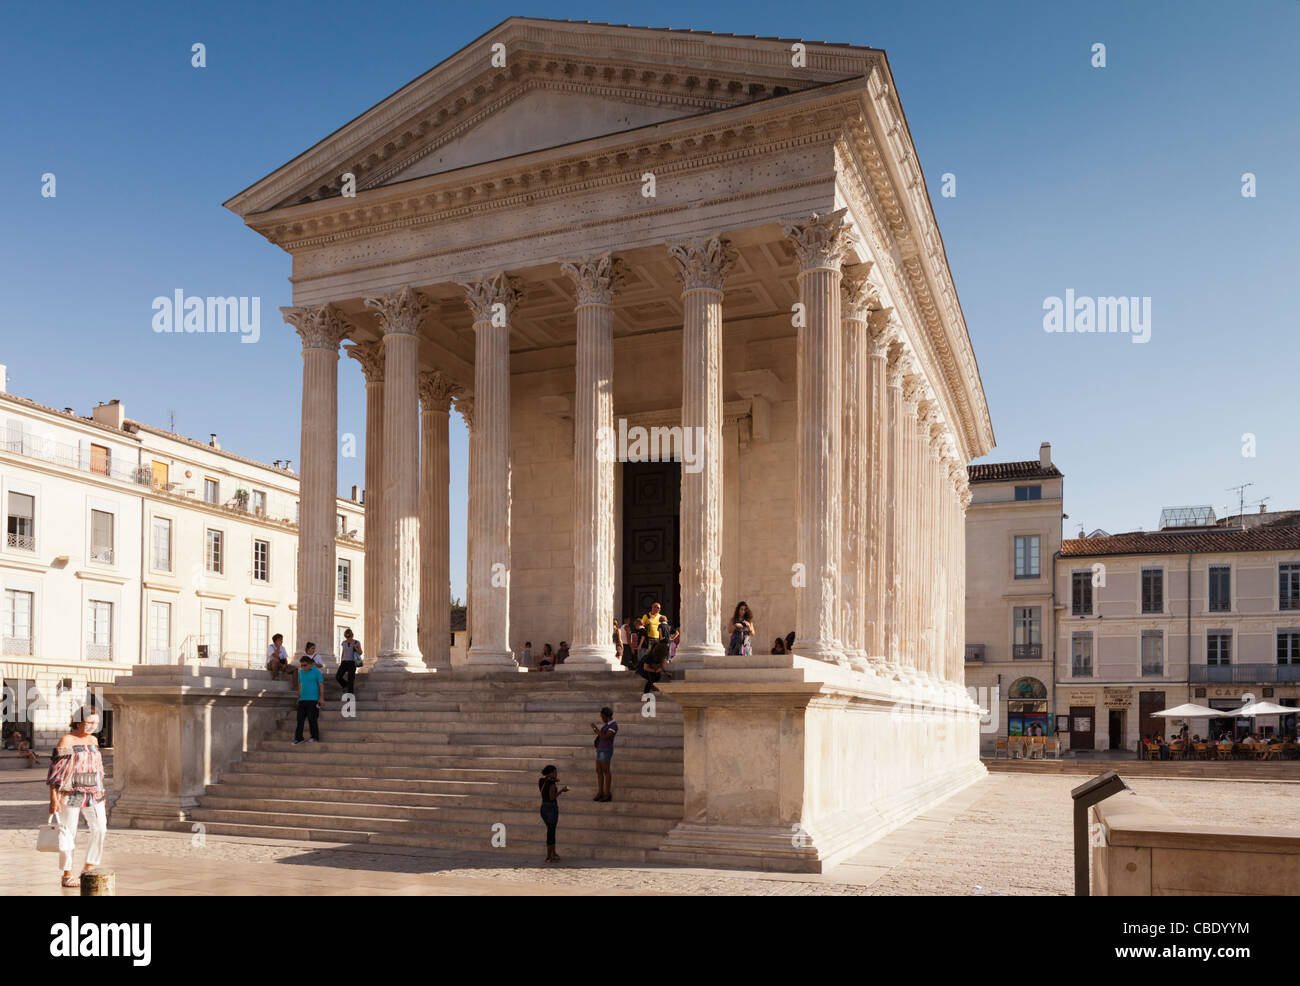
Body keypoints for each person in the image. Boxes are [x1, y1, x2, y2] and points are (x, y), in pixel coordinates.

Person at [47, 706, 107, 888]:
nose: (93, 726)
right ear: (79, 721)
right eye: (90, 722)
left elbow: (98, 768)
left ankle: (88, 867)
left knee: (100, 828)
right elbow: (55, 771)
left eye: (96, 722)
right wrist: (53, 798)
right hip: (71, 792)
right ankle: (67, 873)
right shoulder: (67, 740)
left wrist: (102, 790)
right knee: (68, 832)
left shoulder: (94, 740)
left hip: (94, 793)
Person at [538, 765, 569, 863]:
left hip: (543, 808)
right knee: (551, 833)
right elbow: (552, 797)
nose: (556, 774)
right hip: (551, 809)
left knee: (550, 830)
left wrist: (554, 780)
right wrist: (561, 791)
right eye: (555, 772)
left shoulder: (541, 781)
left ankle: (553, 853)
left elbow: (546, 788)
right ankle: (549, 856)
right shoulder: (551, 784)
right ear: (550, 773)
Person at [293, 652, 324, 745]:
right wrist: (299, 697)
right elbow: (300, 684)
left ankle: (314, 736)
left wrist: (321, 698)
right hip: (303, 699)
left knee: (312, 719)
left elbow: (321, 685)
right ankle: (299, 738)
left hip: (313, 699)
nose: (303, 667)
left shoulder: (317, 672)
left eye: (304, 665)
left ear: (310, 664)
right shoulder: (301, 672)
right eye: (301, 665)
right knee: (300, 720)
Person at [591, 706, 618, 802]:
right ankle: (600, 792)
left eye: (602, 717)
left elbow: (606, 736)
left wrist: (595, 729)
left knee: (606, 771)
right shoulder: (607, 725)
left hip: (606, 750)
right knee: (598, 770)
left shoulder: (613, 725)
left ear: (606, 716)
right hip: (600, 750)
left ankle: (607, 794)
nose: (601, 718)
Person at [336, 628, 361, 695]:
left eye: (349, 636)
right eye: (347, 636)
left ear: (352, 635)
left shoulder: (356, 642)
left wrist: (356, 647)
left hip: (352, 662)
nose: (348, 637)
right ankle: (345, 685)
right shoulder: (344, 643)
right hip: (344, 662)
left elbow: (360, 652)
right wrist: (341, 661)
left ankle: (350, 695)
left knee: (351, 679)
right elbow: (343, 652)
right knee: (338, 676)